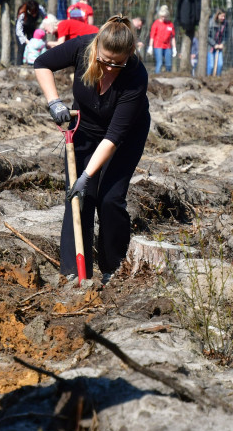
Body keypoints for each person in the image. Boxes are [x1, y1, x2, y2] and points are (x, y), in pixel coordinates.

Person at [34, 16, 150, 284]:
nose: (109, 68)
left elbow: (113, 137)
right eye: (104, 60)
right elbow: (42, 64)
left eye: (116, 63)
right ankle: (73, 272)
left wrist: (86, 175)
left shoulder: (135, 76)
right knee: (78, 199)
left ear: (129, 54)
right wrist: (54, 102)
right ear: (97, 47)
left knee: (109, 199)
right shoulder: (83, 47)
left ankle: (113, 265)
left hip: (123, 137)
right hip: (84, 129)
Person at [149, 5, 176, 73]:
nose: (163, 18)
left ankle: (168, 77)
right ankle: (157, 77)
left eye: (165, 17)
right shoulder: (156, 23)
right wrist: (150, 46)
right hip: (158, 46)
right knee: (159, 63)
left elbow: (173, 37)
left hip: (168, 46)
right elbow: (152, 36)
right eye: (162, 16)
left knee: (169, 65)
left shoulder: (170, 24)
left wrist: (174, 48)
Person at [206, 10, 227, 76]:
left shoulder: (225, 24)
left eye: (224, 16)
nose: (223, 18)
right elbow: (207, 36)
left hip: (219, 46)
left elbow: (226, 35)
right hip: (210, 47)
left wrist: (222, 44)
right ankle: (209, 77)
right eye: (222, 16)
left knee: (220, 64)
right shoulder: (211, 22)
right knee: (211, 65)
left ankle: (218, 78)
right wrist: (214, 45)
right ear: (217, 15)